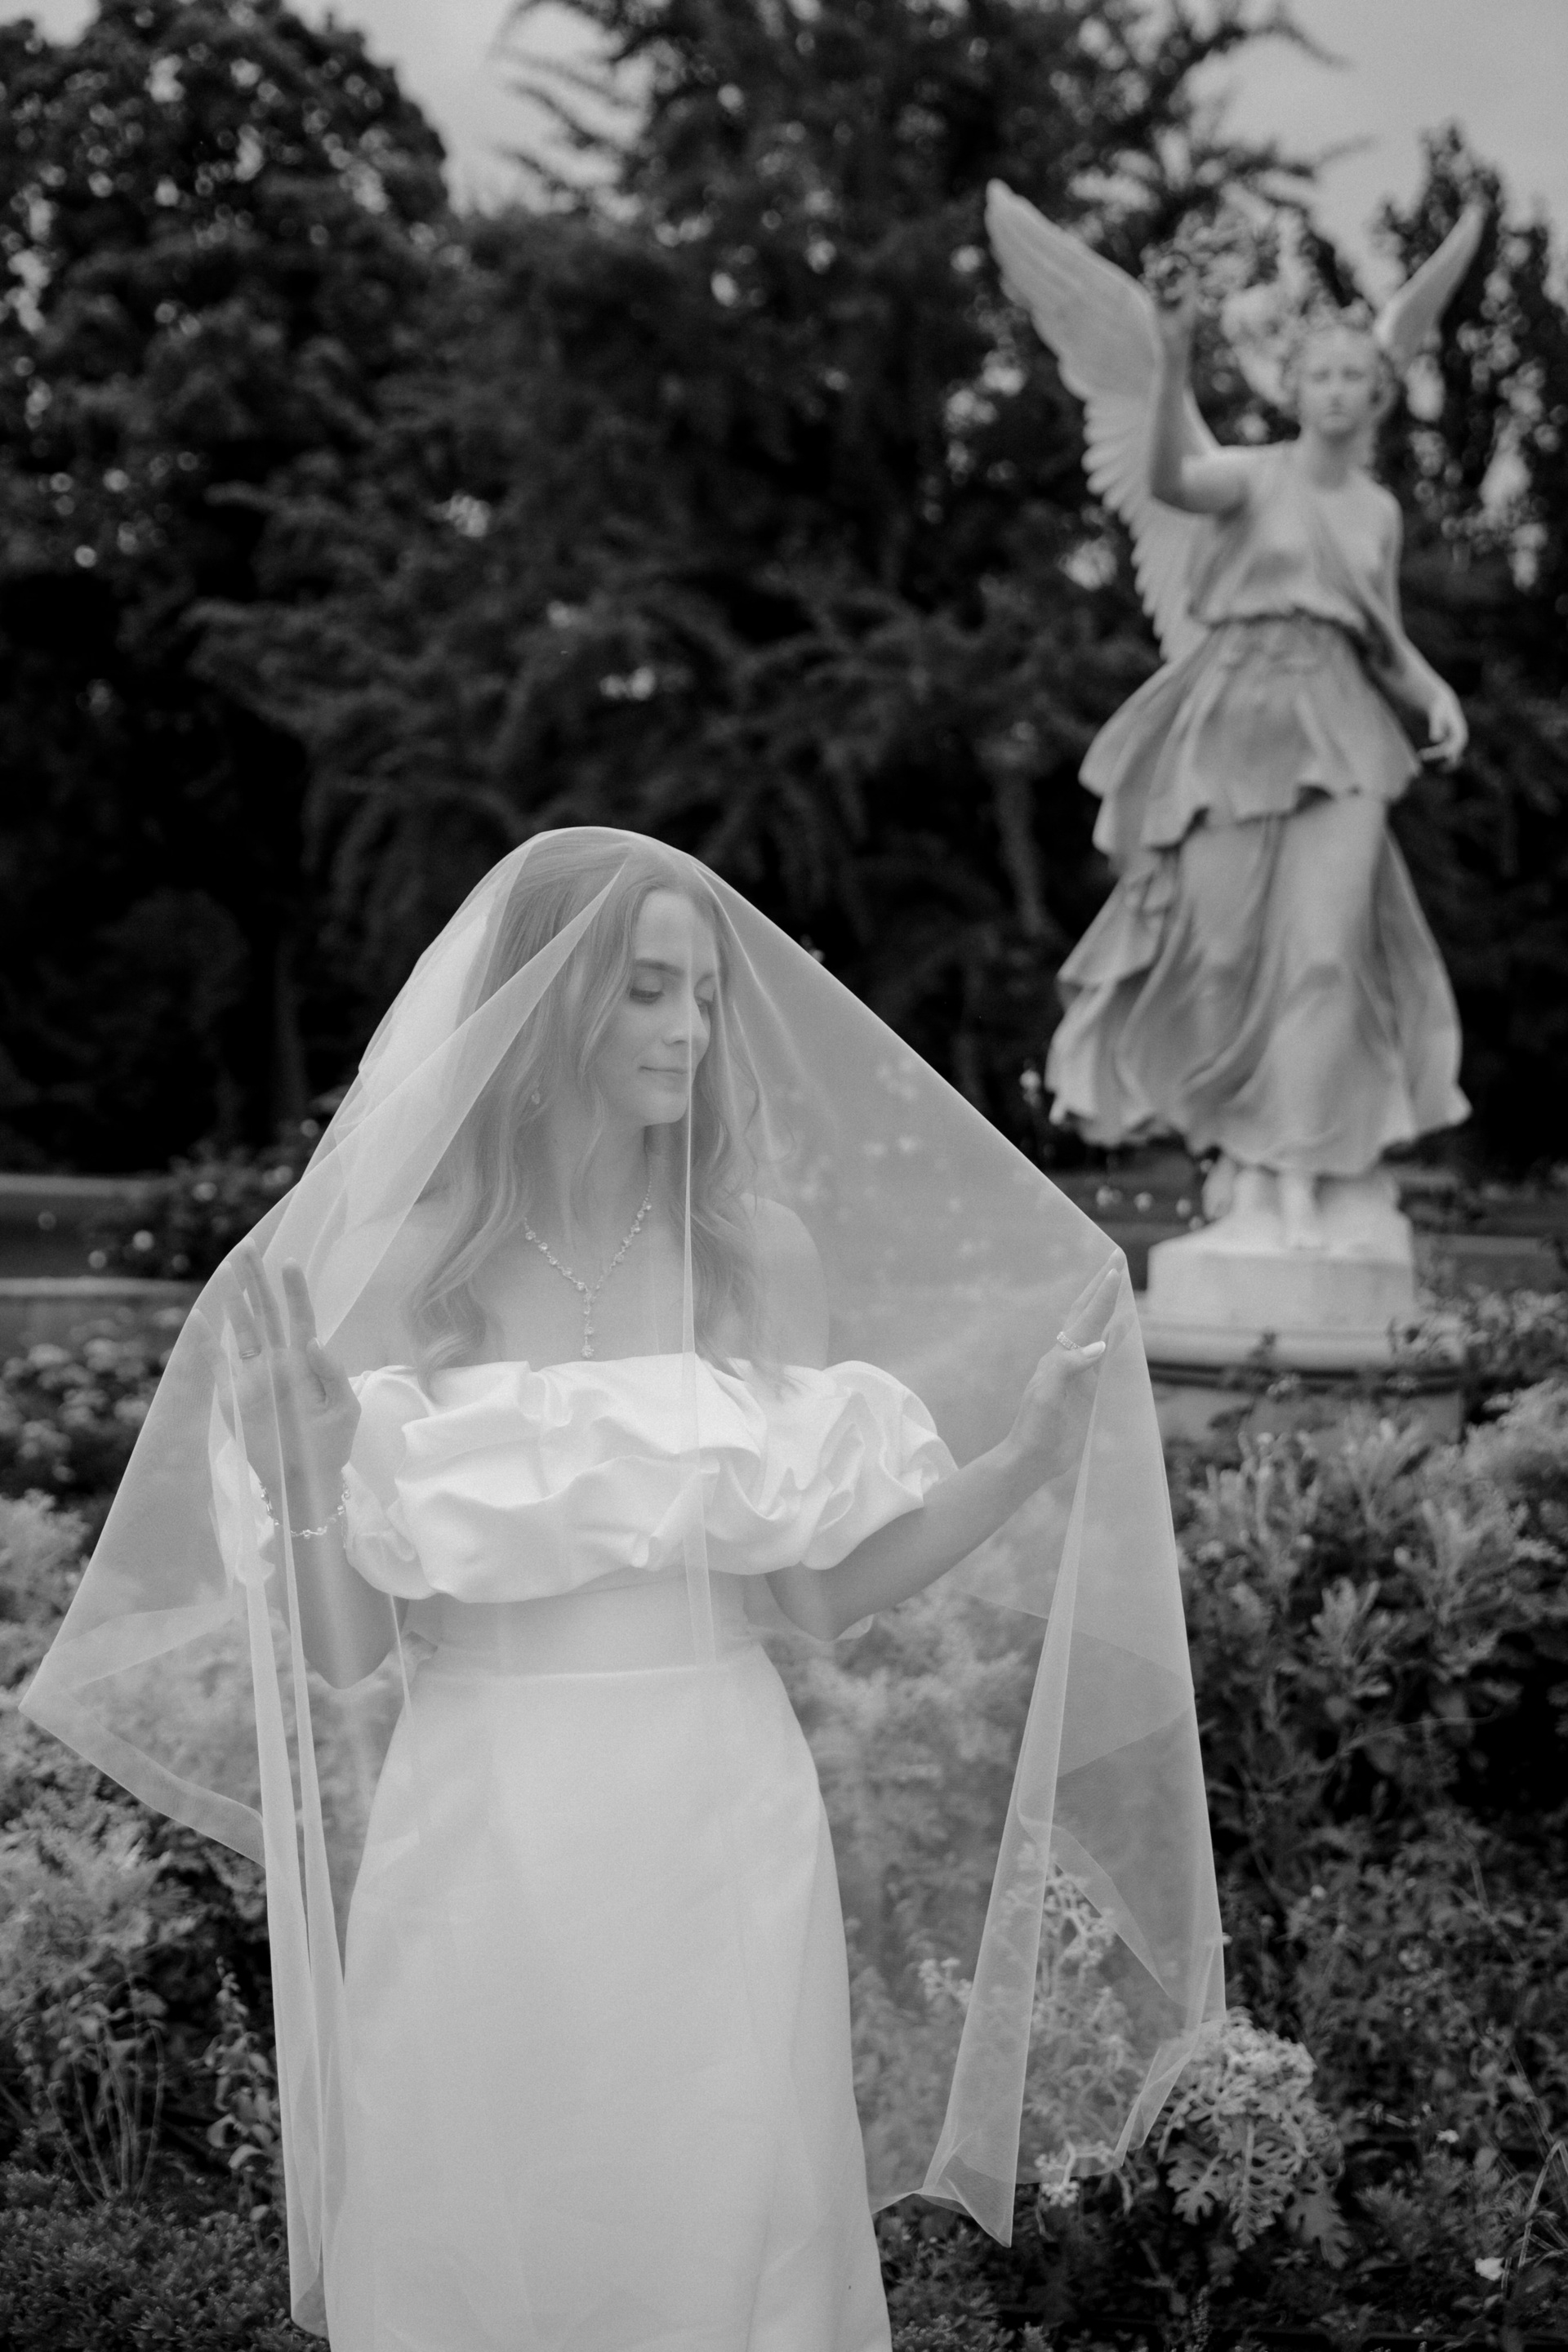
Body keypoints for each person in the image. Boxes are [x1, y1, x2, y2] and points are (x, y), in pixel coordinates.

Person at [22, 830, 1223, 2350]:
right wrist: (308, 1472)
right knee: (487, 2220)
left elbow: (810, 1602)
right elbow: (346, 1654)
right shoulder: (403, 1269)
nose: (690, 1029)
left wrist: (1023, 1460)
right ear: (543, 1008)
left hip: (718, 1809)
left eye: (703, 994)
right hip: (482, 1817)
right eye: (648, 990)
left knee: (724, 2230)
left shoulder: (756, 1257)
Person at [987, 188, 1480, 1251]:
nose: (1338, 389)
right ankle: (1242, 1166)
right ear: (1293, 387)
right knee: (1218, 960)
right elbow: (1167, 475)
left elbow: (1380, 632)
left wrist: (1432, 691)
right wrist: (1167, 360)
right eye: (1321, 373)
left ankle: (1302, 1175)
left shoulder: (1377, 510)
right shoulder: (1248, 478)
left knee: (1326, 955)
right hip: (1232, 722)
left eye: (1355, 374)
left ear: (1380, 390)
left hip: (1344, 725)